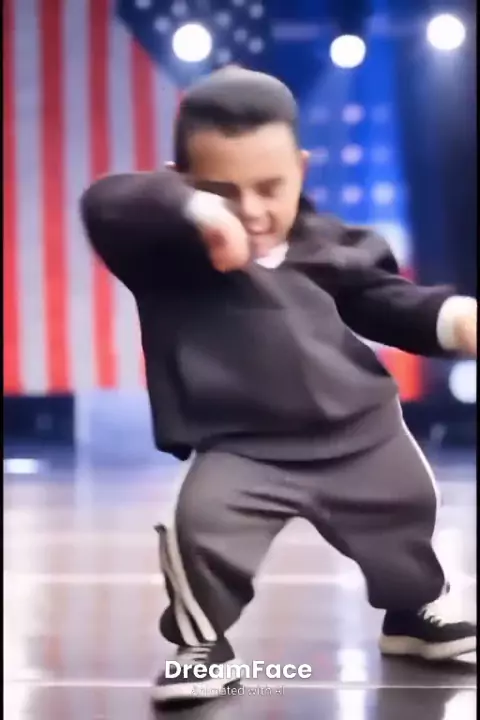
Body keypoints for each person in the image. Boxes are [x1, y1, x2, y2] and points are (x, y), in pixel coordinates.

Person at [80, 67, 477, 705]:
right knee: (203, 530)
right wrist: (198, 213)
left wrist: (458, 320)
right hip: (242, 447)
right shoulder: (165, 252)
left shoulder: (330, 244)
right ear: (180, 180)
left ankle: (414, 612)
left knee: (404, 515)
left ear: (300, 168)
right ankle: (202, 646)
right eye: (223, 191)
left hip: (360, 434)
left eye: (270, 187)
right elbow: (108, 201)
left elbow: (386, 301)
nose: (253, 211)